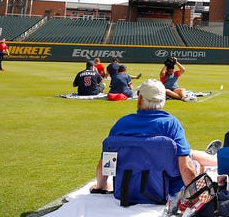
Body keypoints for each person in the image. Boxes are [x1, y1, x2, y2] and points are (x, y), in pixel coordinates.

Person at [89, 79, 218, 194]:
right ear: (163, 100)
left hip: (127, 189)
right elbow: (185, 166)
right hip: (167, 190)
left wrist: (101, 186)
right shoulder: (171, 124)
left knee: (187, 154)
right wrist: (194, 195)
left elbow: (105, 163)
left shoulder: (121, 124)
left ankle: (212, 159)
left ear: (140, 99)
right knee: (194, 161)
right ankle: (215, 160)